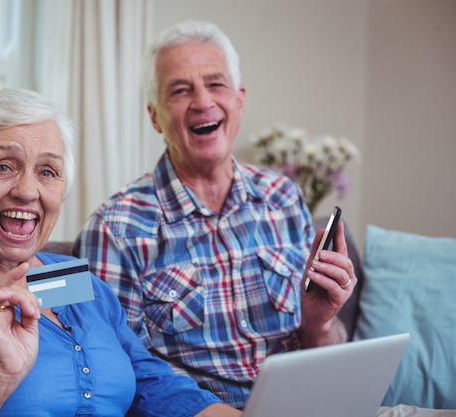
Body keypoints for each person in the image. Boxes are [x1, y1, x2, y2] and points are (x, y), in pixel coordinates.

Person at [0, 88, 241, 417]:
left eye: (47, 172)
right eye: (3, 166)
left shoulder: (70, 278)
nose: (27, 190)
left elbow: (151, 382)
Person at [73, 20, 357, 409]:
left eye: (216, 84)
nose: (203, 101)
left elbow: (323, 348)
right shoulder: (114, 230)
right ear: (154, 116)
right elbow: (118, 374)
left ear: (239, 100)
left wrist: (320, 324)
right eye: (180, 89)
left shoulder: (284, 197)